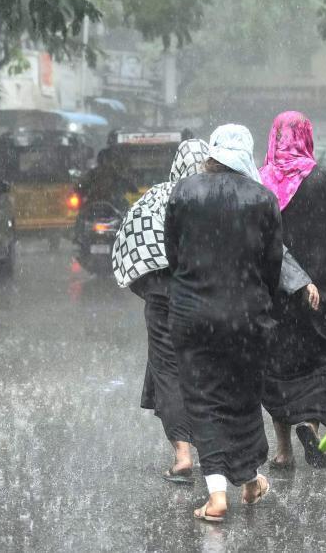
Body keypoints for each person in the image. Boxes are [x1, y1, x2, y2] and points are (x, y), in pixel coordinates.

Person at [166, 124, 305, 522]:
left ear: (213, 151)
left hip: (192, 316)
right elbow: (272, 265)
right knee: (243, 396)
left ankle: (217, 493)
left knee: (203, 400)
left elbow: (173, 255)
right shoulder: (262, 199)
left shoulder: (184, 192)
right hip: (246, 317)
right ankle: (248, 477)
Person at [259, 111, 326, 470]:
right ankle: (311, 424)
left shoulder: (261, 185)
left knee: (278, 369)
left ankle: (283, 450)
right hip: (325, 292)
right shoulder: (325, 180)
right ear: (306, 137)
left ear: (274, 137)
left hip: (275, 294)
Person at [111, 139, 210, 484]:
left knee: (168, 373)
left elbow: (130, 249)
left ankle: (182, 455)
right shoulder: (216, 201)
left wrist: (153, 293)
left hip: (163, 303)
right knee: (206, 372)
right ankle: (217, 455)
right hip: (207, 302)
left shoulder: (155, 198)